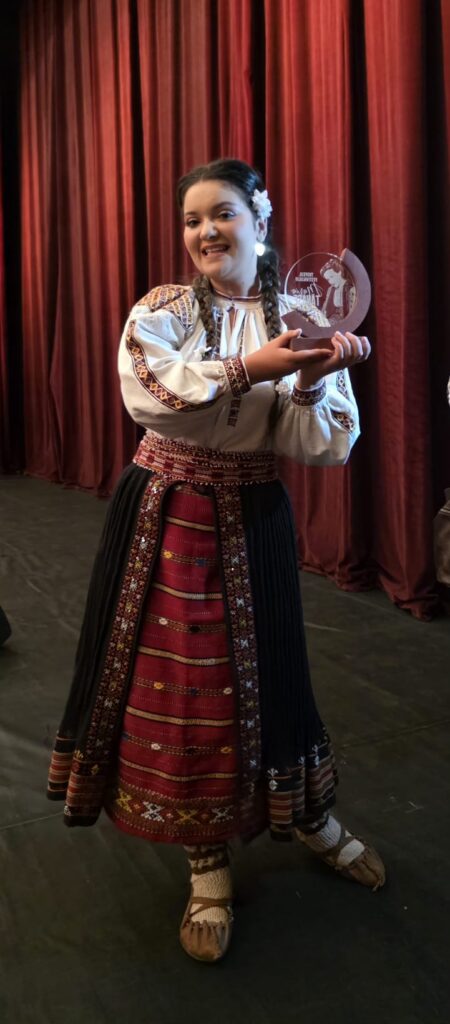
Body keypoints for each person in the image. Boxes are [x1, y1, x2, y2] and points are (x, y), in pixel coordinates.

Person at [48, 158, 385, 963]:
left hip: (253, 512)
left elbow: (322, 446)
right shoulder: (162, 309)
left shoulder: (301, 316)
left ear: (260, 220)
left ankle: (309, 815)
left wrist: (312, 381)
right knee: (188, 685)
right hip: (167, 510)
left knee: (273, 670)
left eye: (223, 213)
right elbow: (150, 393)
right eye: (193, 219)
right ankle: (206, 860)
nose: (206, 231)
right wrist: (246, 369)